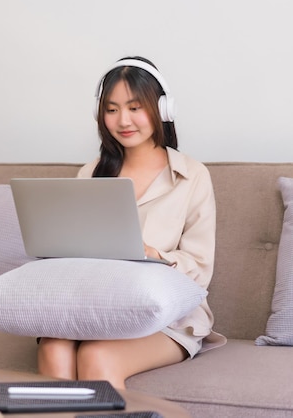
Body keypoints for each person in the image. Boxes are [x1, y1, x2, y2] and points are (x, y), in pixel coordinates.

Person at [37, 56, 226, 389]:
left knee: (96, 356)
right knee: (53, 347)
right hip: (95, 305)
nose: (122, 120)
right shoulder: (92, 173)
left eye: (135, 107)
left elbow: (200, 267)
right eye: (111, 110)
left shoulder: (191, 175)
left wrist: (156, 256)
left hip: (166, 317)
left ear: (162, 109)